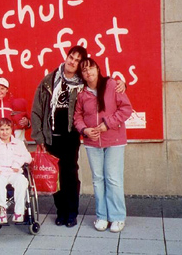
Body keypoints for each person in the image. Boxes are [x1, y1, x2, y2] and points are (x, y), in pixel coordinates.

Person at [31, 45, 126, 228]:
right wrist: (39, 139)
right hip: (51, 136)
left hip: (71, 136)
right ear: (66, 57)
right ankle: (61, 211)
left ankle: (72, 213)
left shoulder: (83, 83)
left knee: (70, 175)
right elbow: (36, 111)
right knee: (55, 176)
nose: (72, 62)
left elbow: (102, 84)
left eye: (76, 61)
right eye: (71, 58)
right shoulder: (48, 81)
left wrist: (122, 83)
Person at [74, 58, 132, 233]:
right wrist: (84, 130)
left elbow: (126, 109)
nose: (88, 73)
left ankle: (117, 217)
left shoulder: (112, 85)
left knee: (113, 178)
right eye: (84, 71)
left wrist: (108, 123)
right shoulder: (82, 94)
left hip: (114, 140)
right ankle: (102, 216)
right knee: (98, 180)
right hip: (92, 143)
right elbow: (77, 117)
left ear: (98, 69)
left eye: (91, 68)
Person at [0, 118, 32, 224]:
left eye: (7, 129)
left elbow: (28, 157)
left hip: (14, 172)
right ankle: (1, 212)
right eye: (2, 129)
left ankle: (19, 213)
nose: (5, 132)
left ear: (11, 129)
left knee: (22, 181)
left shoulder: (19, 143)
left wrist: (18, 163)